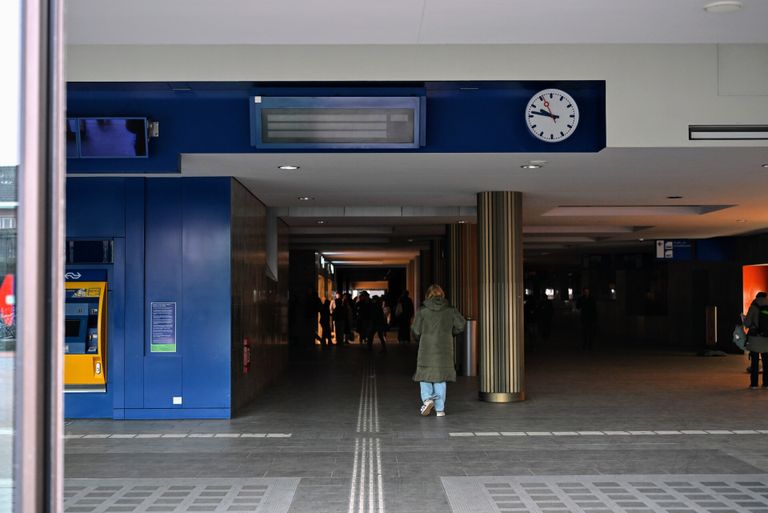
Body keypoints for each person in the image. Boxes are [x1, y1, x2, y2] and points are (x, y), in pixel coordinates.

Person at [411, 284, 466, 417]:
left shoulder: (422, 311)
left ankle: (428, 399)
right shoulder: (450, 310)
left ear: (428, 295)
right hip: (444, 348)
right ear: (442, 295)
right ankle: (440, 409)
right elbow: (461, 325)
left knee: (425, 376)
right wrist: (449, 333)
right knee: (440, 379)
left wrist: (421, 338)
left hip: (426, 348)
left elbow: (416, 331)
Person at [744, 291, 768, 389]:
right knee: (766, 362)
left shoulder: (753, 307)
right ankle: (766, 384)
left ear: (756, 297)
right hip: (766, 338)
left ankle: (754, 384)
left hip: (755, 337)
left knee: (754, 361)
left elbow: (747, 323)